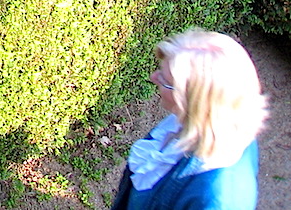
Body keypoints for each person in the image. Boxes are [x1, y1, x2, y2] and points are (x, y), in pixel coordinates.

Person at [110, 29, 268, 210]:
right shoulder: (206, 121)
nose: (153, 78)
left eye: (165, 80)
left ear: (194, 102)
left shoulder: (214, 199)